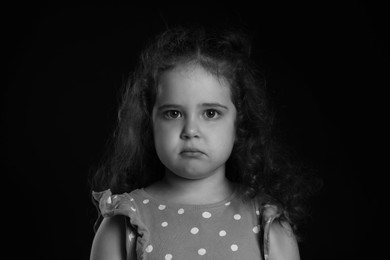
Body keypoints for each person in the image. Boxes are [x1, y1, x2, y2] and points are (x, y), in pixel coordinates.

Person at [90, 26, 315, 260]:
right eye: (173, 114)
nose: (191, 130)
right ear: (150, 123)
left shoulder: (268, 224)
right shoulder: (124, 223)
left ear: (239, 124)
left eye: (210, 113)